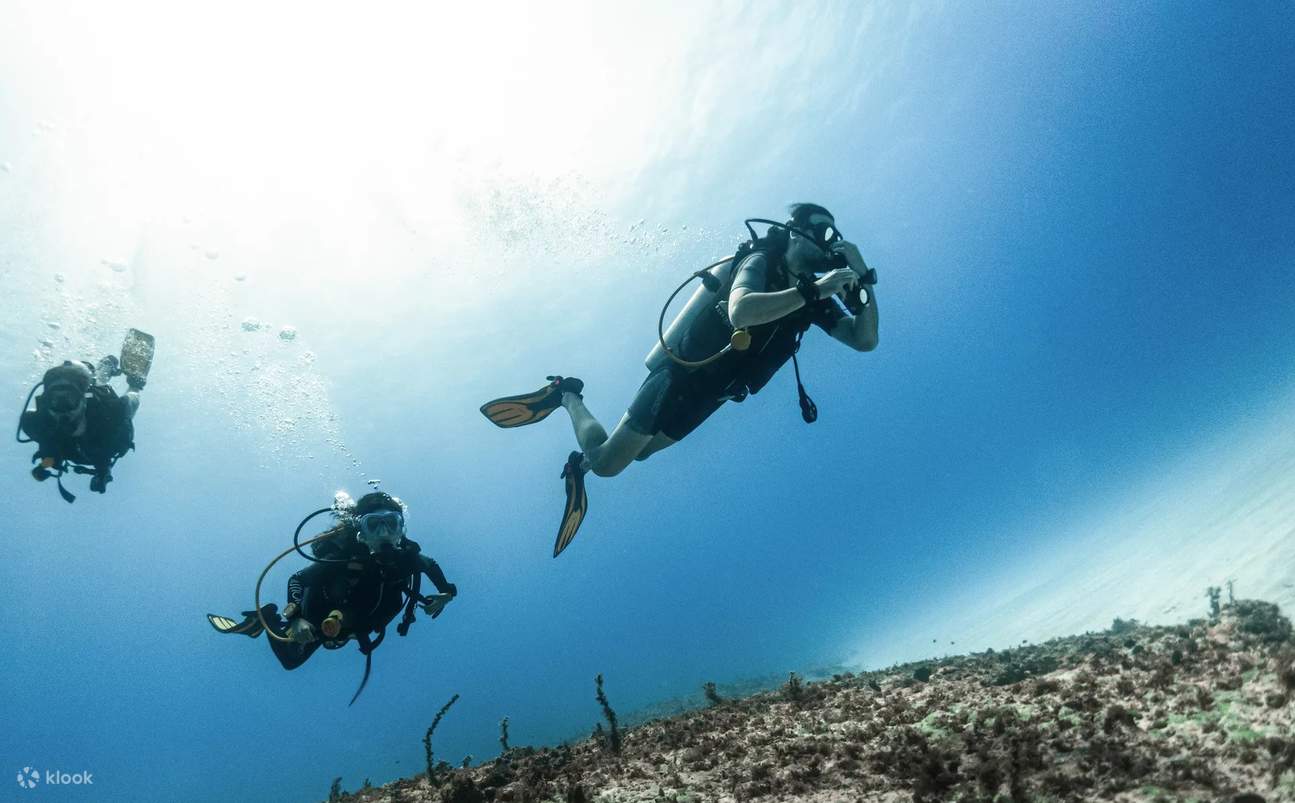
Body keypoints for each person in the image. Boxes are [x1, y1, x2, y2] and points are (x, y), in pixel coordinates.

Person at [481, 203, 880, 556]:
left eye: (836, 236)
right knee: (610, 465)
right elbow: (741, 312)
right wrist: (814, 292)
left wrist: (865, 281)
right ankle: (566, 395)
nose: (831, 242)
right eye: (824, 232)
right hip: (682, 374)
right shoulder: (761, 262)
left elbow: (864, 340)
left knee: (642, 452)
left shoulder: (815, 297)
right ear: (796, 231)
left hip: (716, 395)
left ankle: (578, 467)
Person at [207, 492, 458, 703]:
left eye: (391, 523)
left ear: (401, 528)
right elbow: (297, 579)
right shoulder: (344, 559)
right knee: (290, 661)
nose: (383, 532)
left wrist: (446, 594)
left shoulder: (408, 559)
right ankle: (267, 619)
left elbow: (434, 568)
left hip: (356, 624)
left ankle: (269, 622)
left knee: (295, 659)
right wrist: (295, 618)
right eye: (374, 524)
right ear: (361, 531)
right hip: (317, 619)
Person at [17, 350, 146, 502]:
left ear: (83, 400)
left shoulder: (112, 413)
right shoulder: (41, 425)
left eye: (69, 400)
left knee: (98, 384)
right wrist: (44, 466)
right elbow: (52, 455)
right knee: (93, 381)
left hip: (103, 434)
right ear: (46, 402)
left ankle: (104, 367)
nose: (62, 409)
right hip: (83, 453)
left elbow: (132, 400)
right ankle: (98, 370)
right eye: (55, 400)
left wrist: (135, 386)